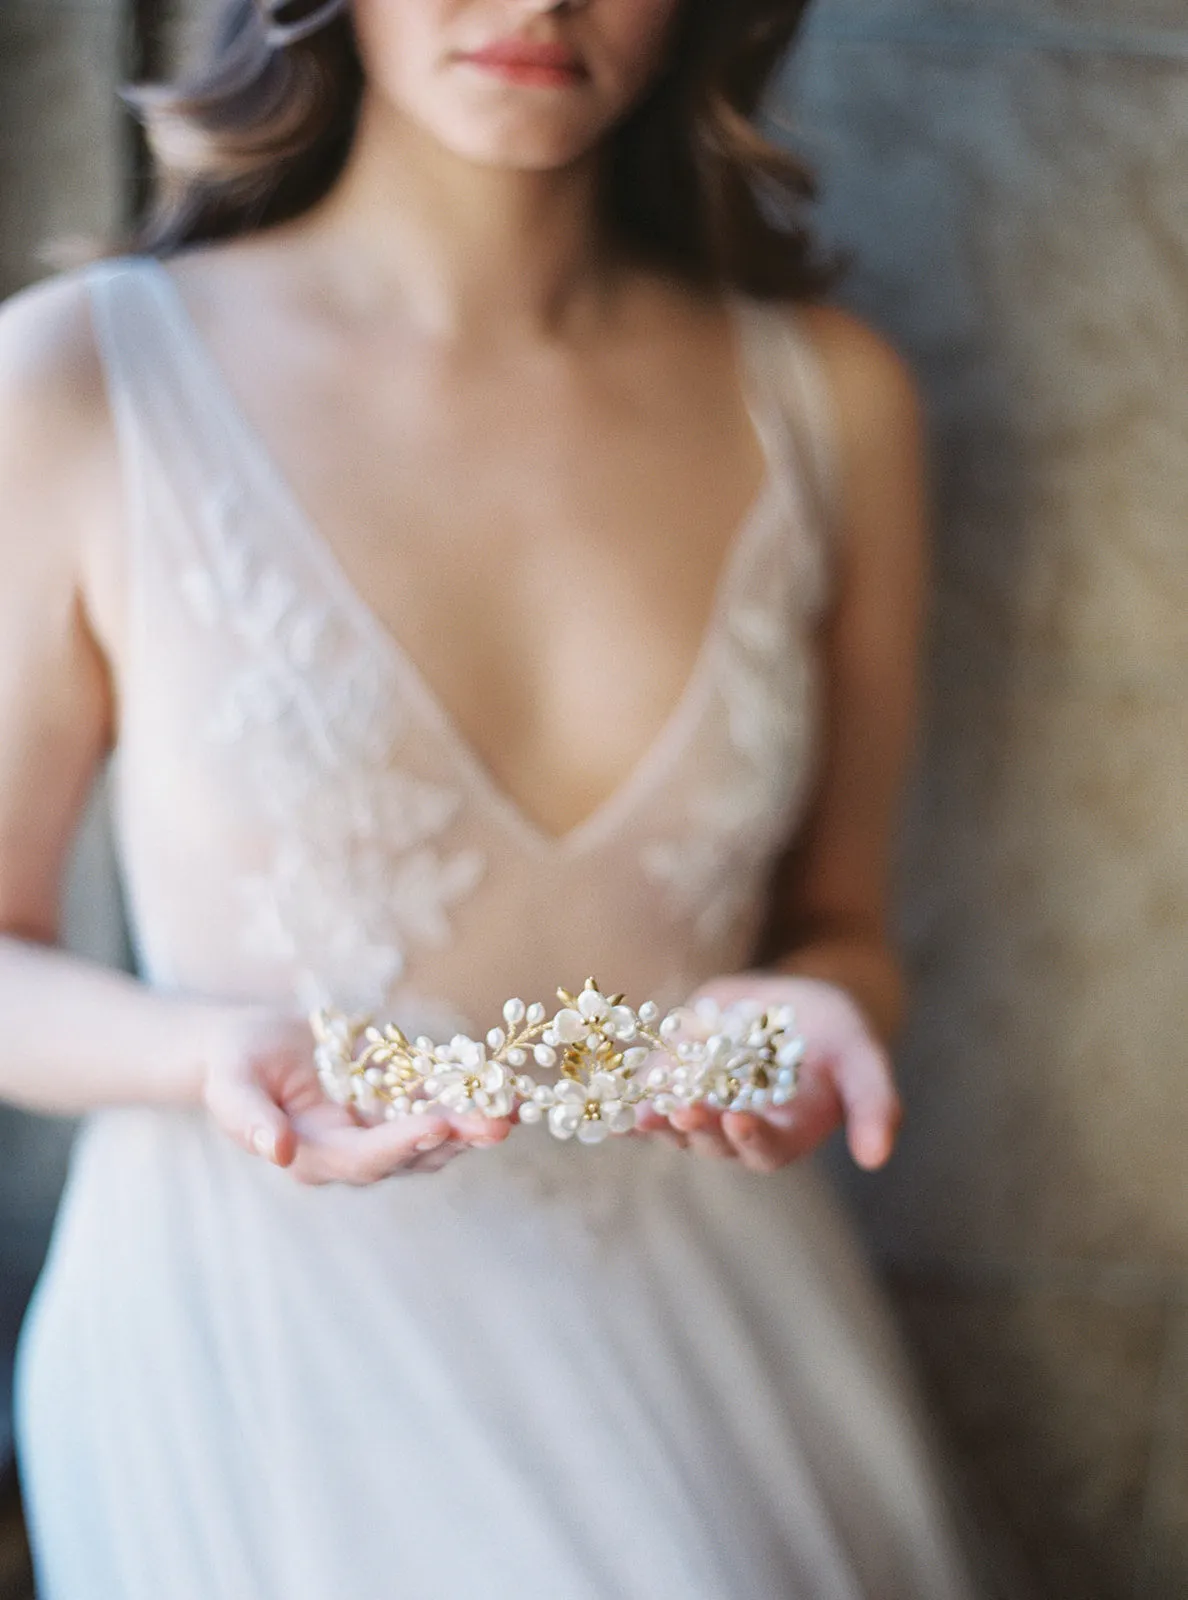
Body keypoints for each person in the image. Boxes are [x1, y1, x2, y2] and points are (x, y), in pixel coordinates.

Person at [0, 0, 990, 1594]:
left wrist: (808, 1017)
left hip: (710, 1320)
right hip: (263, 1333)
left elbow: (841, 926)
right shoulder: (79, 375)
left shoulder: (831, 400)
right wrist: (212, 1056)